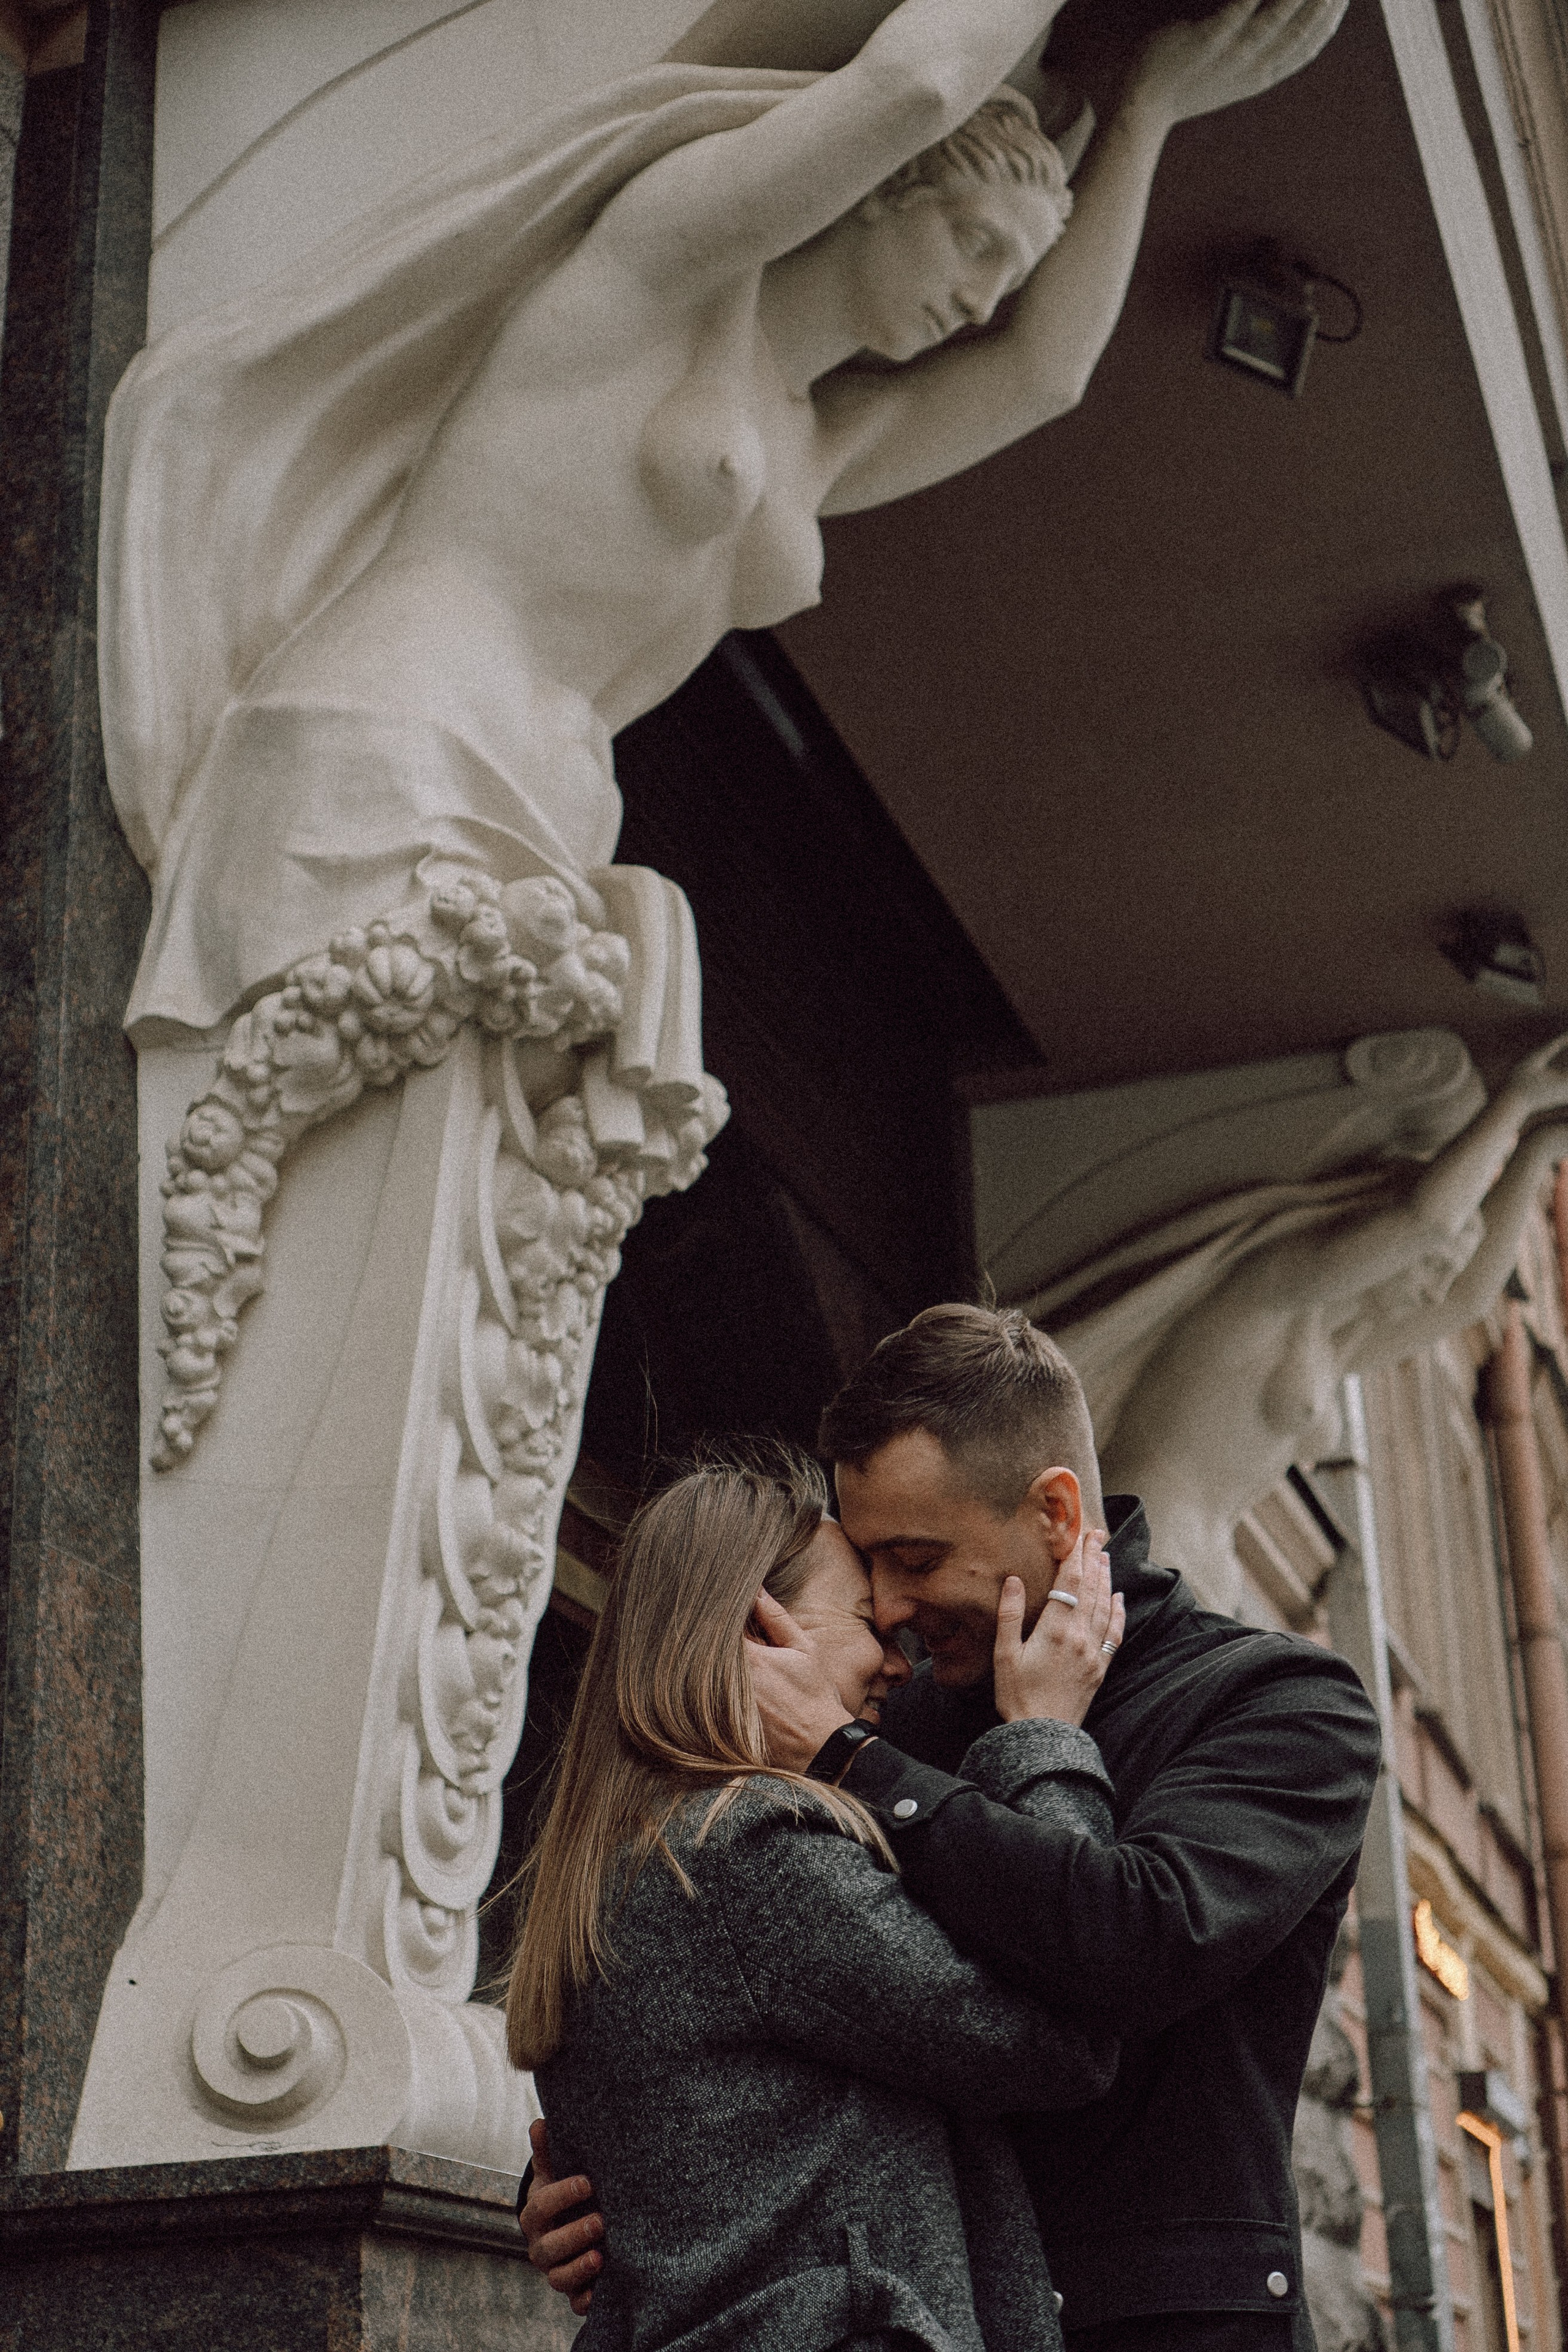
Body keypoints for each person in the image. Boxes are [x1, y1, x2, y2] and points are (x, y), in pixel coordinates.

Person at [524, 1308, 1381, 2351]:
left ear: (1056, 1514)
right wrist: (603, 2171)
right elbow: (793, 1993)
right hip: (946, 2311)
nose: (889, 1607)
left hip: (1160, 2325)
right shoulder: (892, 1718)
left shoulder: (1276, 1703)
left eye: (915, 1556)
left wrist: (866, 1759)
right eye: (869, 1568)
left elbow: (1135, 1944)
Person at [506, 1445, 1128, 2352]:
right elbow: (1059, 2039)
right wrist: (1042, 1737)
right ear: (761, 1635)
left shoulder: (634, 1855)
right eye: (869, 1622)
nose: (897, 1663)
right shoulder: (751, 1851)